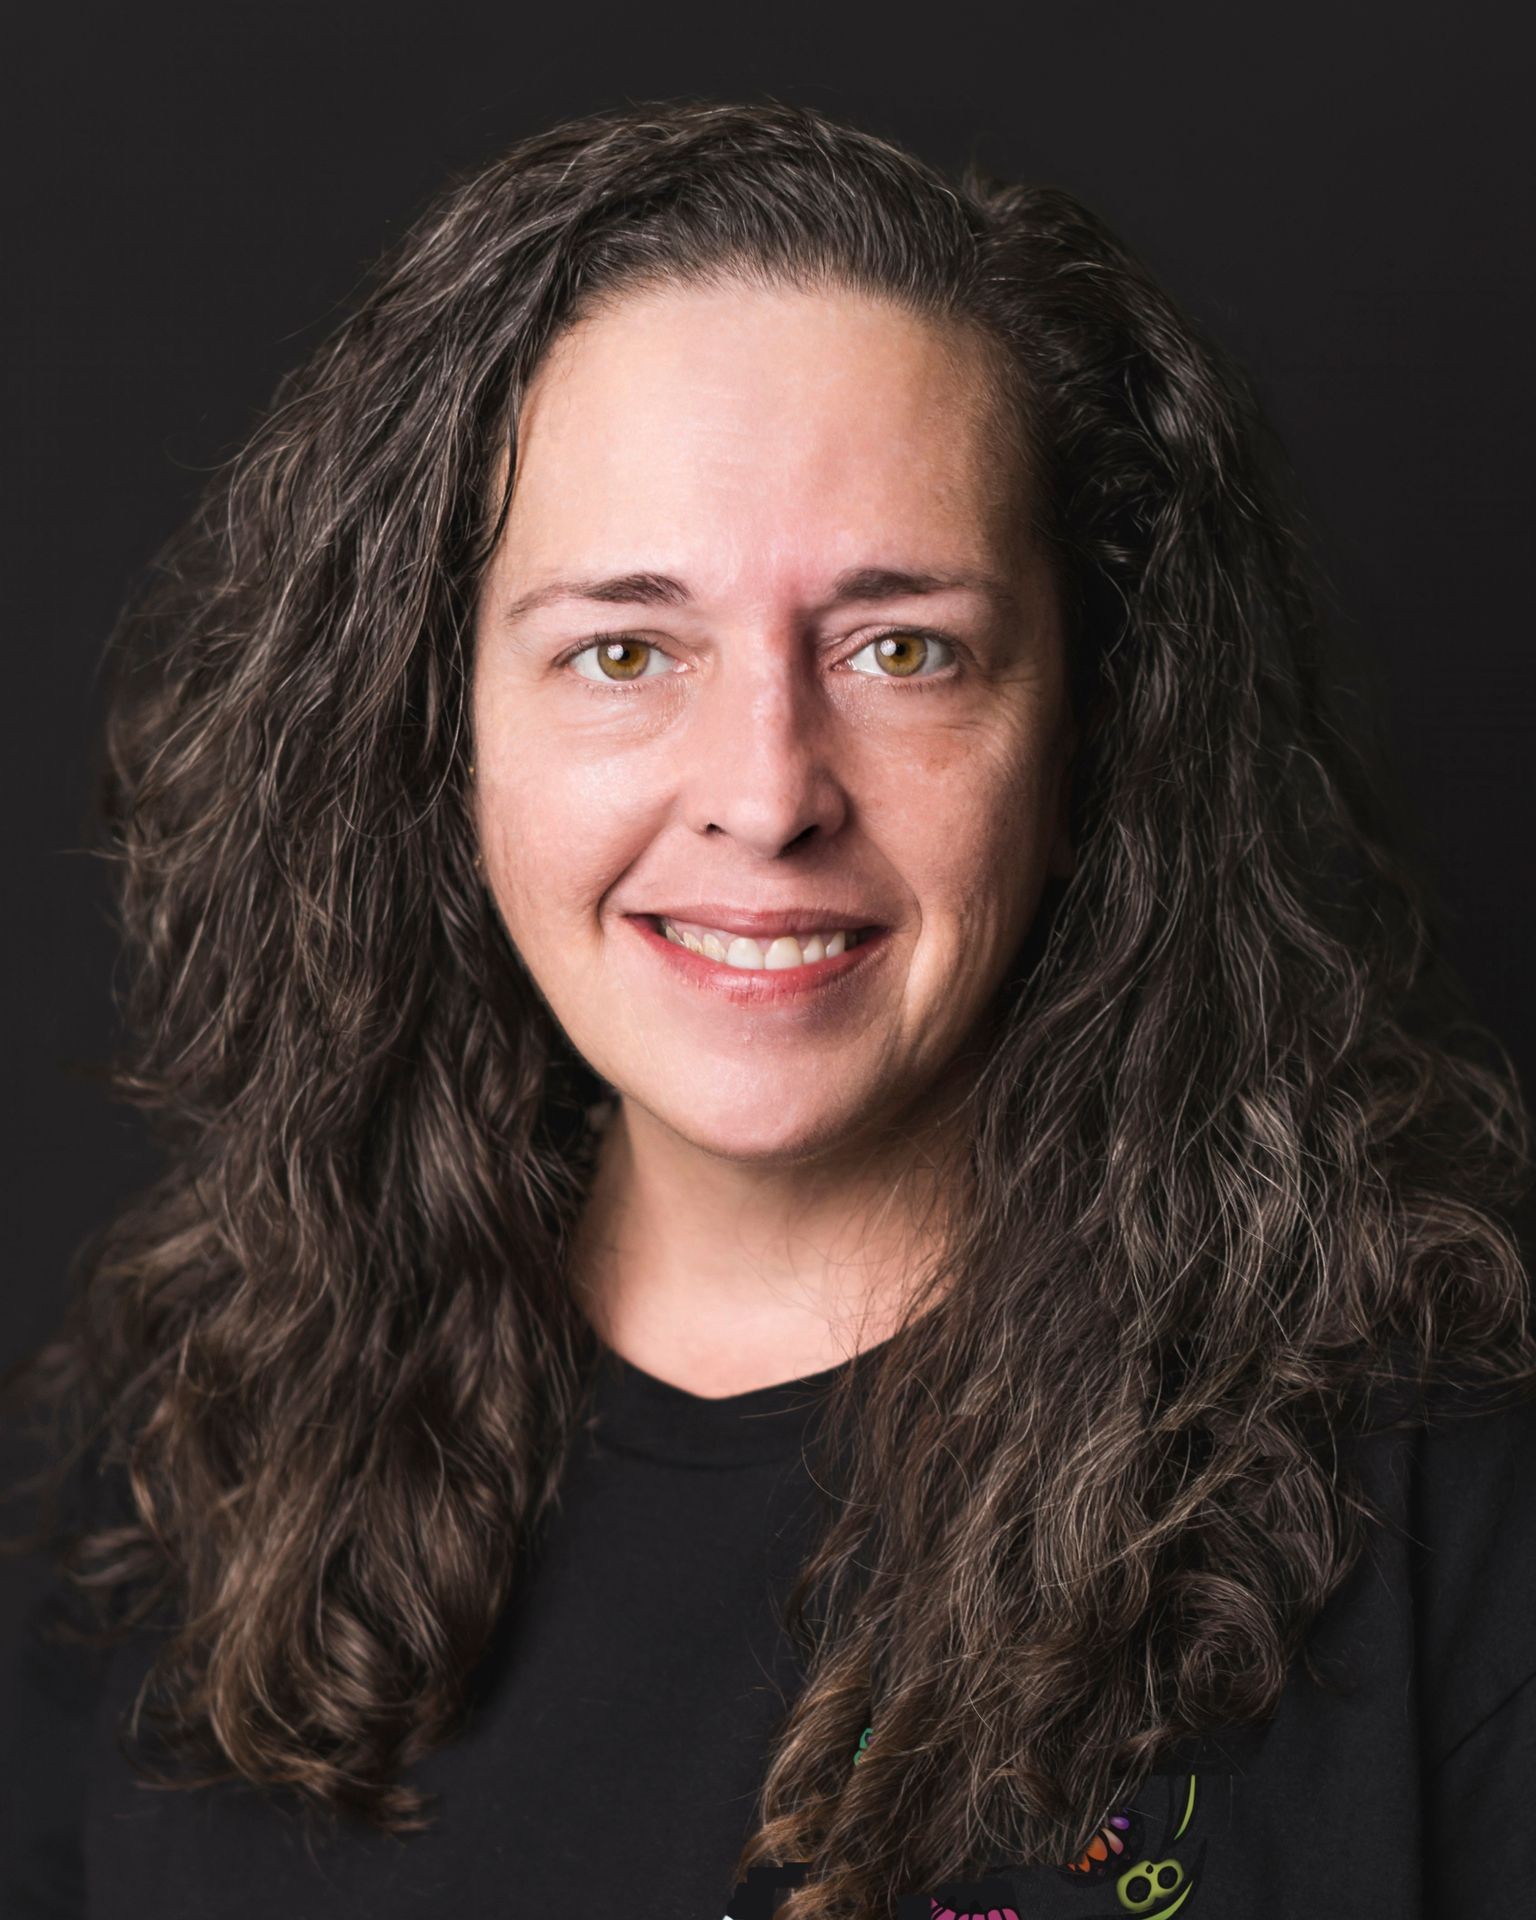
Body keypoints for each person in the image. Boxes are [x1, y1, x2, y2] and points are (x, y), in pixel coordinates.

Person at [2, 97, 1533, 1920]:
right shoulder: (187, 1450)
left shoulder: (1445, 1499)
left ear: (1095, 727)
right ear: (444, 729)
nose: (766, 791)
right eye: (624, 650)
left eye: (903, 648)